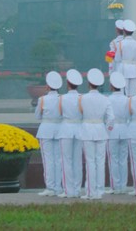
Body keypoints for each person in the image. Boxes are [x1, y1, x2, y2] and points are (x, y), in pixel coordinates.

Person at [79, 68, 114, 200]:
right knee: (100, 162)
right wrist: (106, 130)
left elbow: (79, 114)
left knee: (90, 162)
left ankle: (90, 191)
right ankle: (99, 190)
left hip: (87, 130)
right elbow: (111, 118)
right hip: (101, 130)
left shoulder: (83, 98)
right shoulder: (105, 99)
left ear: (89, 83)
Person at [35, 70, 64, 197]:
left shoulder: (42, 99)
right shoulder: (62, 99)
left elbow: (37, 116)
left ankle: (50, 187)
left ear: (47, 86)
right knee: (59, 159)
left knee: (48, 160)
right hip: (59, 129)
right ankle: (58, 187)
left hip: (46, 129)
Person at [56, 68, 83, 198]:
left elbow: (60, 113)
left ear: (68, 84)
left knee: (66, 160)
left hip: (66, 129)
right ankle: (77, 189)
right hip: (78, 129)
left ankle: (68, 190)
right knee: (77, 160)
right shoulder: (82, 98)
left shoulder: (62, 98)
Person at [107, 70, 130, 194]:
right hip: (125, 129)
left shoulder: (108, 99)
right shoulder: (127, 99)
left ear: (112, 86)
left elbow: (108, 117)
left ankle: (115, 186)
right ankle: (123, 185)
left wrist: (108, 130)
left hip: (113, 130)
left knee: (114, 159)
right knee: (123, 159)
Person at [120, 19, 136, 96]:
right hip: (134, 68)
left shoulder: (121, 44)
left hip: (124, 68)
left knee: (124, 91)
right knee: (133, 92)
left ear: (124, 31)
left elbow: (117, 58)